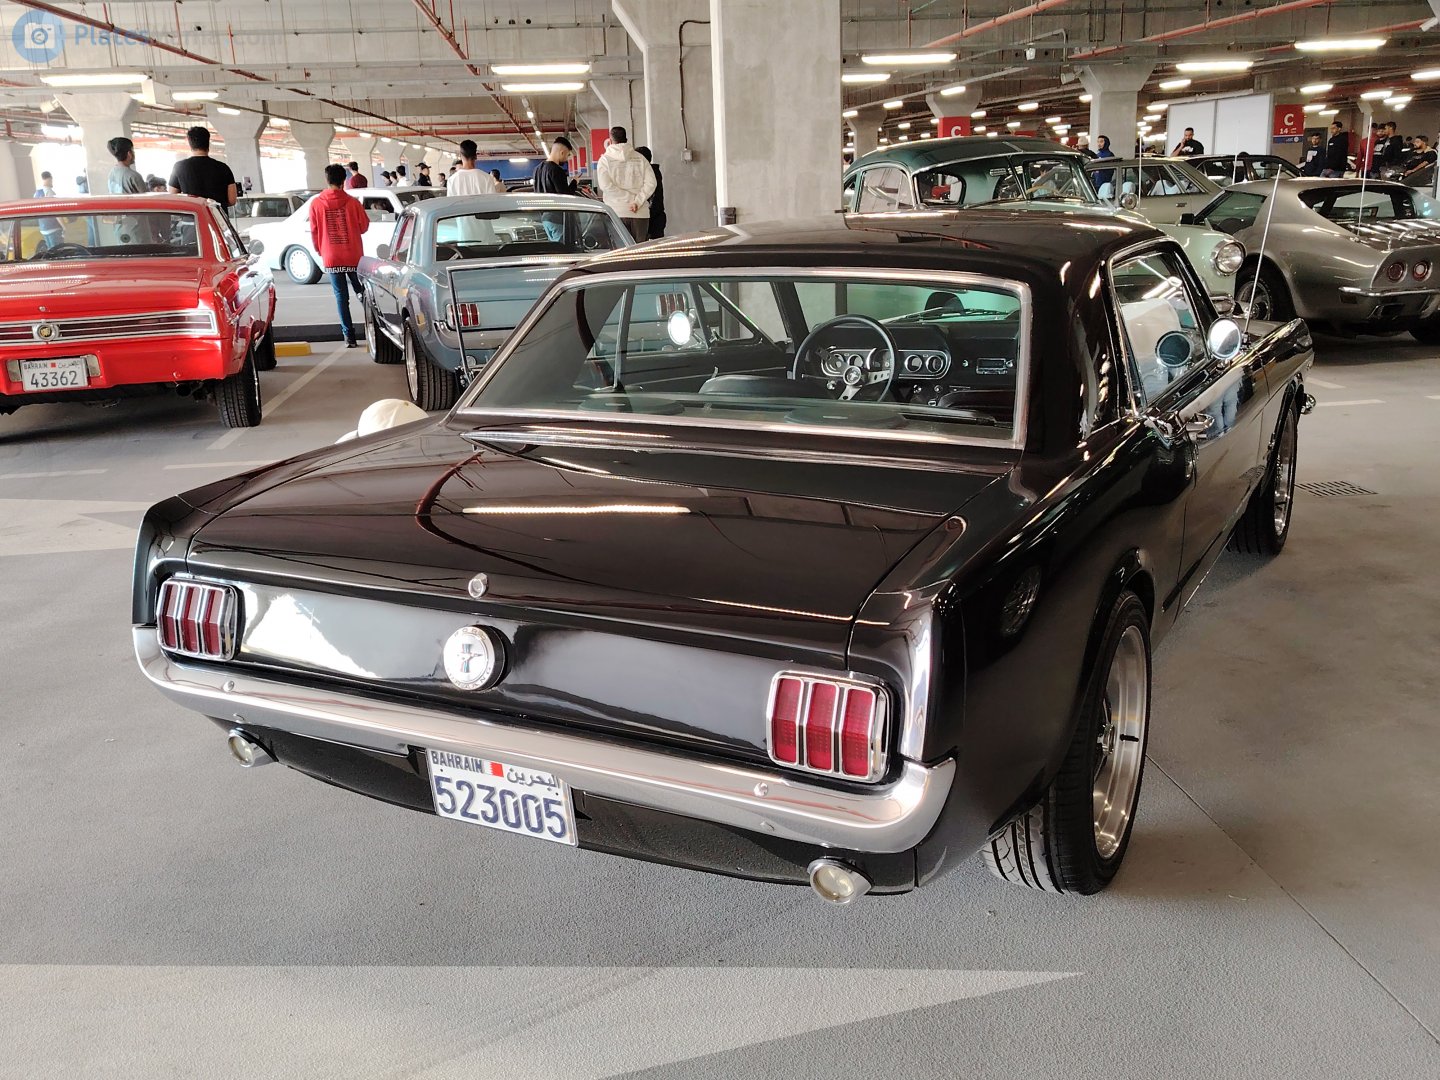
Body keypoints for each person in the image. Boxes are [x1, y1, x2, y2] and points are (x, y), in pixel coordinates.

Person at [308, 163, 370, 348]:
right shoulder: (353, 202)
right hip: (353, 255)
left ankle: (349, 337)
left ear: (327, 180)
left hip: (332, 256)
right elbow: (364, 227)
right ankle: (374, 329)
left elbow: (314, 231)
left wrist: (321, 250)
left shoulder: (316, 203)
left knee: (341, 297)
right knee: (363, 294)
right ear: (344, 180)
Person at [596, 126, 656, 241]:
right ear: (626, 139)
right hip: (640, 213)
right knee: (640, 249)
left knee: (620, 250)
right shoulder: (641, 158)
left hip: (616, 212)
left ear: (610, 140)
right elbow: (651, 183)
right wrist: (637, 201)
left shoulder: (604, 160)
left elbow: (605, 185)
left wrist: (628, 198)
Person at [168, 125, 238, 211]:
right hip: (217, 216)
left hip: (192, 216)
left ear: (190, 143)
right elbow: (232, 200)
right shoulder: (223, 168)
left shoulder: (179, 167)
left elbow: (173, 197)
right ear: (208, 142)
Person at [635, 146, 666, 239]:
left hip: (651, 219)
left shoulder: (650, 175)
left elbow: (654, 201)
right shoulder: (654, 172)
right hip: (655, 218)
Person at [32, 171, 64, 250]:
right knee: (58, 251)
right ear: (49, 179)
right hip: (53, 227)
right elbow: (55, 211)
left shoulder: (37, 193)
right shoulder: (49, 192)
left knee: (50, 251)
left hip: (43, 228)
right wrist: (64, 226)